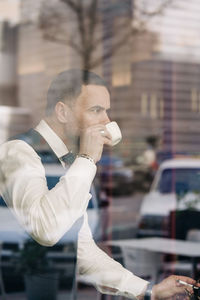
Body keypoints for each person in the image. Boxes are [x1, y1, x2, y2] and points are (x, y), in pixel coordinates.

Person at [0, 69, 197, 299]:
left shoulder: (69, 163)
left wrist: (148, 291)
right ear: (63, 112)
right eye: (96, 110)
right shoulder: (18, 152)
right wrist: (87, 159)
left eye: (107, 111)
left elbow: (82, 249)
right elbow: (46, 229)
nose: (107, 121)